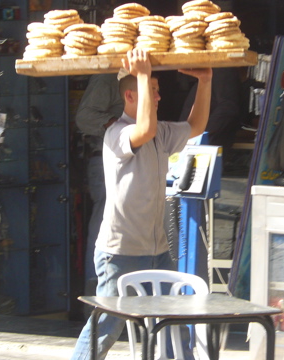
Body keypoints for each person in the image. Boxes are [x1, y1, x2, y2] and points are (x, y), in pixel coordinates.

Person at [70, 49, 212, 360]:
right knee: (107, 327)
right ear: (131, 96)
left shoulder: (161, 132)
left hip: (157, 250)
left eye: (157, 90)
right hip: (119, 253)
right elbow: (143, 128)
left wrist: (205, 81)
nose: (159, 97)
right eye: (153, 91)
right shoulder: (117, 133)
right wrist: (145, 74)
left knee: (170, 321)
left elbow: (196, 126)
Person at [75, 73, 123, 296]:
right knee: (104, 222)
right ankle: (96, 286)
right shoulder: (108, 76)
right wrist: (121, 127)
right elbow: (84, 117)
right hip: (105, 158)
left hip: (121, 158)